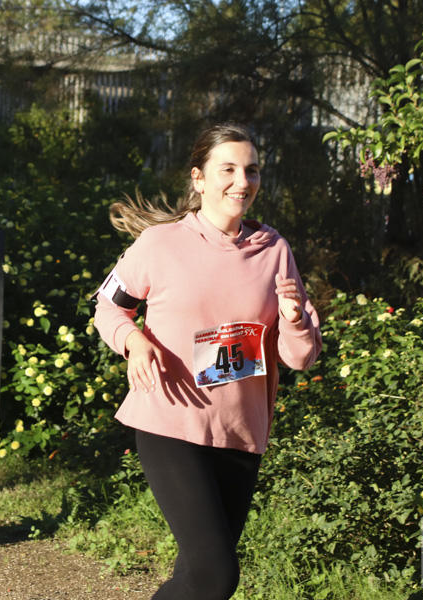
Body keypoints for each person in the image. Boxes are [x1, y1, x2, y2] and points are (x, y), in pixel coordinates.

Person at [93, 123, 321, 600]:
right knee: (217, 574)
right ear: (198, 179)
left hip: (239, 432)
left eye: (252, 170)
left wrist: (296, 318)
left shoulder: (275, 251)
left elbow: (299, 358)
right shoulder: (160, 243)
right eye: (229, 169)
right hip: (170, 422)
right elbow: (108, 306)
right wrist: (133, 341)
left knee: (198, 581)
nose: (243, 181)